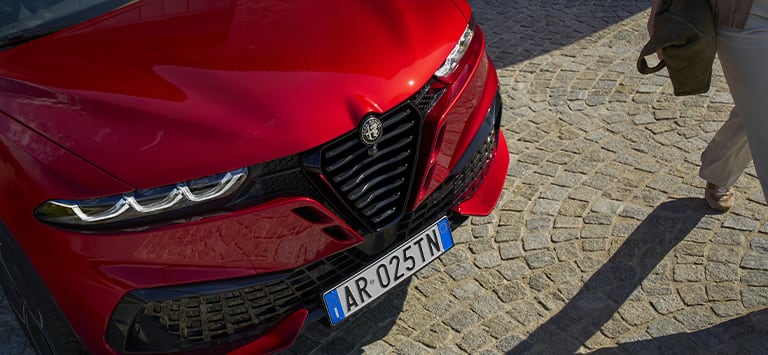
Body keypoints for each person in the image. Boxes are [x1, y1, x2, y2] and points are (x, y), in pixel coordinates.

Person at [649, 0, 768, 211]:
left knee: (756, 103)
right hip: (745, 12)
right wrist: (658, 10)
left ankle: (719, 169)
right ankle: (719, 170)